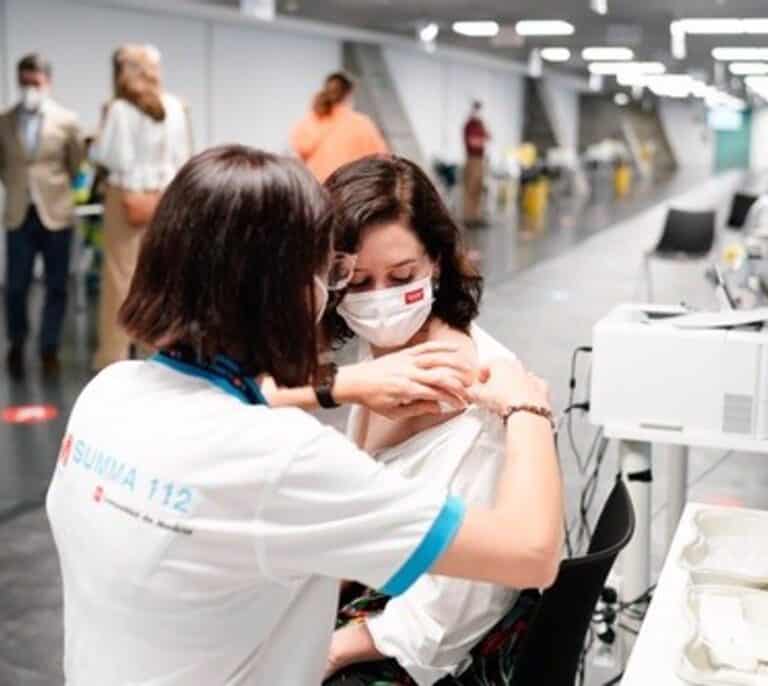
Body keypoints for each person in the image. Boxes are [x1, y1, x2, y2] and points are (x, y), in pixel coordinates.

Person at [46, 144, 563, 686]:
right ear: (284, 292)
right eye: (339, 275)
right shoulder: (282, 458)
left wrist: (339, 386)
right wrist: (527, 405)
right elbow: (528, 552)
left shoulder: (108, 393)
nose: (347, 292)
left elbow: (223, 406)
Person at [321, 155, 524, 685]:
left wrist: (331, 647)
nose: (380, 300)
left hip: (440, 646)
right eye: (358, 282)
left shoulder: (480, 397)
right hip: (388, 589)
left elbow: (456, 610)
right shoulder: (379, 358)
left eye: (402, 276)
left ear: (436, 260)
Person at [90, 43, 193, 371]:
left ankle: (114, 357)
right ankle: (157, 353)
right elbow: (184, 157)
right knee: (159, 276)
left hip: (126, 196)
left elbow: (110, 157)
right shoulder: (176, 106)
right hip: (164, 197)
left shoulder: (119, 109)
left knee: (120, 278)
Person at [0, 53, 84, 379]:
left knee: (57, 285)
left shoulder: (67, 120)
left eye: (34, 82)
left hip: (56, 214)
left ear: (47, 82)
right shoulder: (4, 120)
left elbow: (76, 163)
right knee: (16, 285)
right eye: (23, 82)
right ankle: (17, 340)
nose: (29, 88)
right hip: (19, 213)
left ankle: (49, 347)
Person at [291, 72, 388, 182]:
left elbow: (299, 150)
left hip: (317, 189)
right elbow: (381, 159)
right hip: (350, 189)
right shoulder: (362, 123)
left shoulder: (310, 121)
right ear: (349, 94)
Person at [462, 101, 490, 227]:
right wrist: (481, 139)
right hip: (472, 159)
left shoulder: (480, 124)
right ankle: (468, 217)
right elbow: (473, 142)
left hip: (480, 159)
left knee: (478, 189)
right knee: (471, 188)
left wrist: (482, 135)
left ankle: (476, 216)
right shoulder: (469, 125)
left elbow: (488, 137)